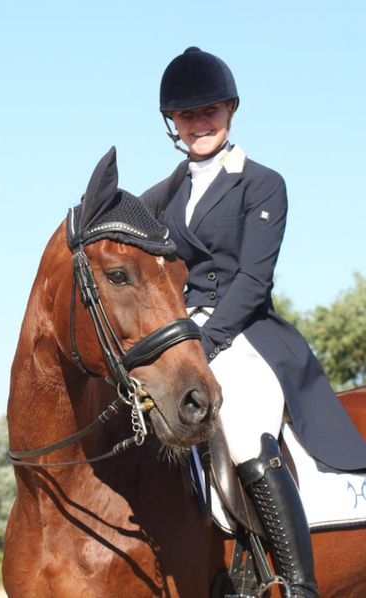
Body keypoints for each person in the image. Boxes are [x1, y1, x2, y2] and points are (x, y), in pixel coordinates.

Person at [142, 46, 366, 598]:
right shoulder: (157, 197)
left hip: (240, 333)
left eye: (209, 110)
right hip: (174, 334)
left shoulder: (262, 183)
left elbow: (253, 281)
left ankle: (296, 582)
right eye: (187, 114)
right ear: (172, 122)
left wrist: (206, 338)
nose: (199, 123)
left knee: (242, 428)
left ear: (230, 110)